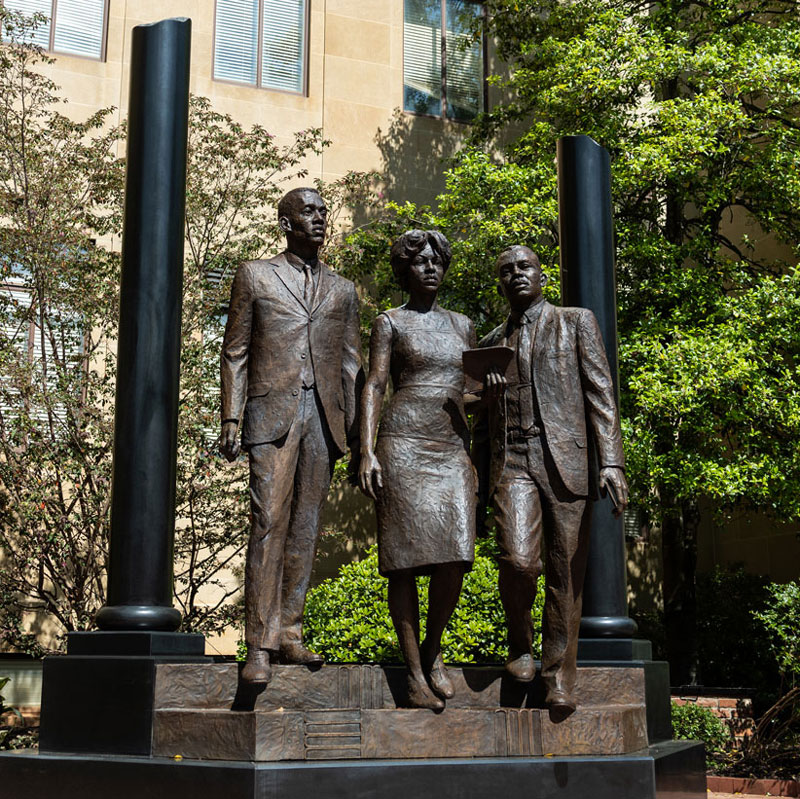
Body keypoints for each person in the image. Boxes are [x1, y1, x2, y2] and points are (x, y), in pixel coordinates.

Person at [477, 245, 628, 719]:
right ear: (499, 283)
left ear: (542, 275)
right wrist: (484, 398)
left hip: (566, 460)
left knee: (567, 573)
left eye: (524, 267)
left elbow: (600, 391)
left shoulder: (575, 321)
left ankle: (558, 677)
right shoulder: (489, 343)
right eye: (506, 271)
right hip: (513, 461)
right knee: (519, 561)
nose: (516, 274)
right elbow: (476, 418)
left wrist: (612, 461)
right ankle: (520, 644)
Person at [220, 187, 362, 685]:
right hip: (270, 414)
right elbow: (235, 351)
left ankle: (290, 633)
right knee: (268, 520)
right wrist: (230, 420)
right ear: (285, 222)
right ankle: (258, 643)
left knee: (306, 526)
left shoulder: (343, 289)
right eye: (309, 211)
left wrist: (360, 435)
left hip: (324, 416)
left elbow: (351, 362)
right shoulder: (255, 274)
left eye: (324, 211)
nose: (321, 218)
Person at [359, 230, 477, 711]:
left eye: (437, 260)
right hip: (403, 442)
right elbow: (374, 384)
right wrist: (365, 450)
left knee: (456, 553)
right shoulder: (390, 321)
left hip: (451, 445)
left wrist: (487, 391)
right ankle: (412, 674)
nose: (430, 267)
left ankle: (432, 651)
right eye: (419, 261)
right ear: (404, 270)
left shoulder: (463, 324)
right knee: (404, 563)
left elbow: (468, 390)